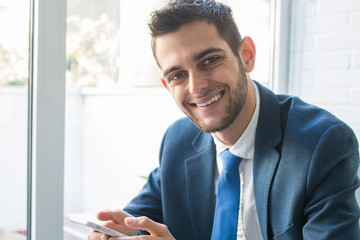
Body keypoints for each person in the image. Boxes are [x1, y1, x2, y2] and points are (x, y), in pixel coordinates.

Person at [88, 0, 360, 239]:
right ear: (166, 85)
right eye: (177, 75)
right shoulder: (178, 141)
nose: (196, 87)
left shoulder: (322, 144)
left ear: (247, 55)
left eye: (209, 60)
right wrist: (120, 230)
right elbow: (137, 219)